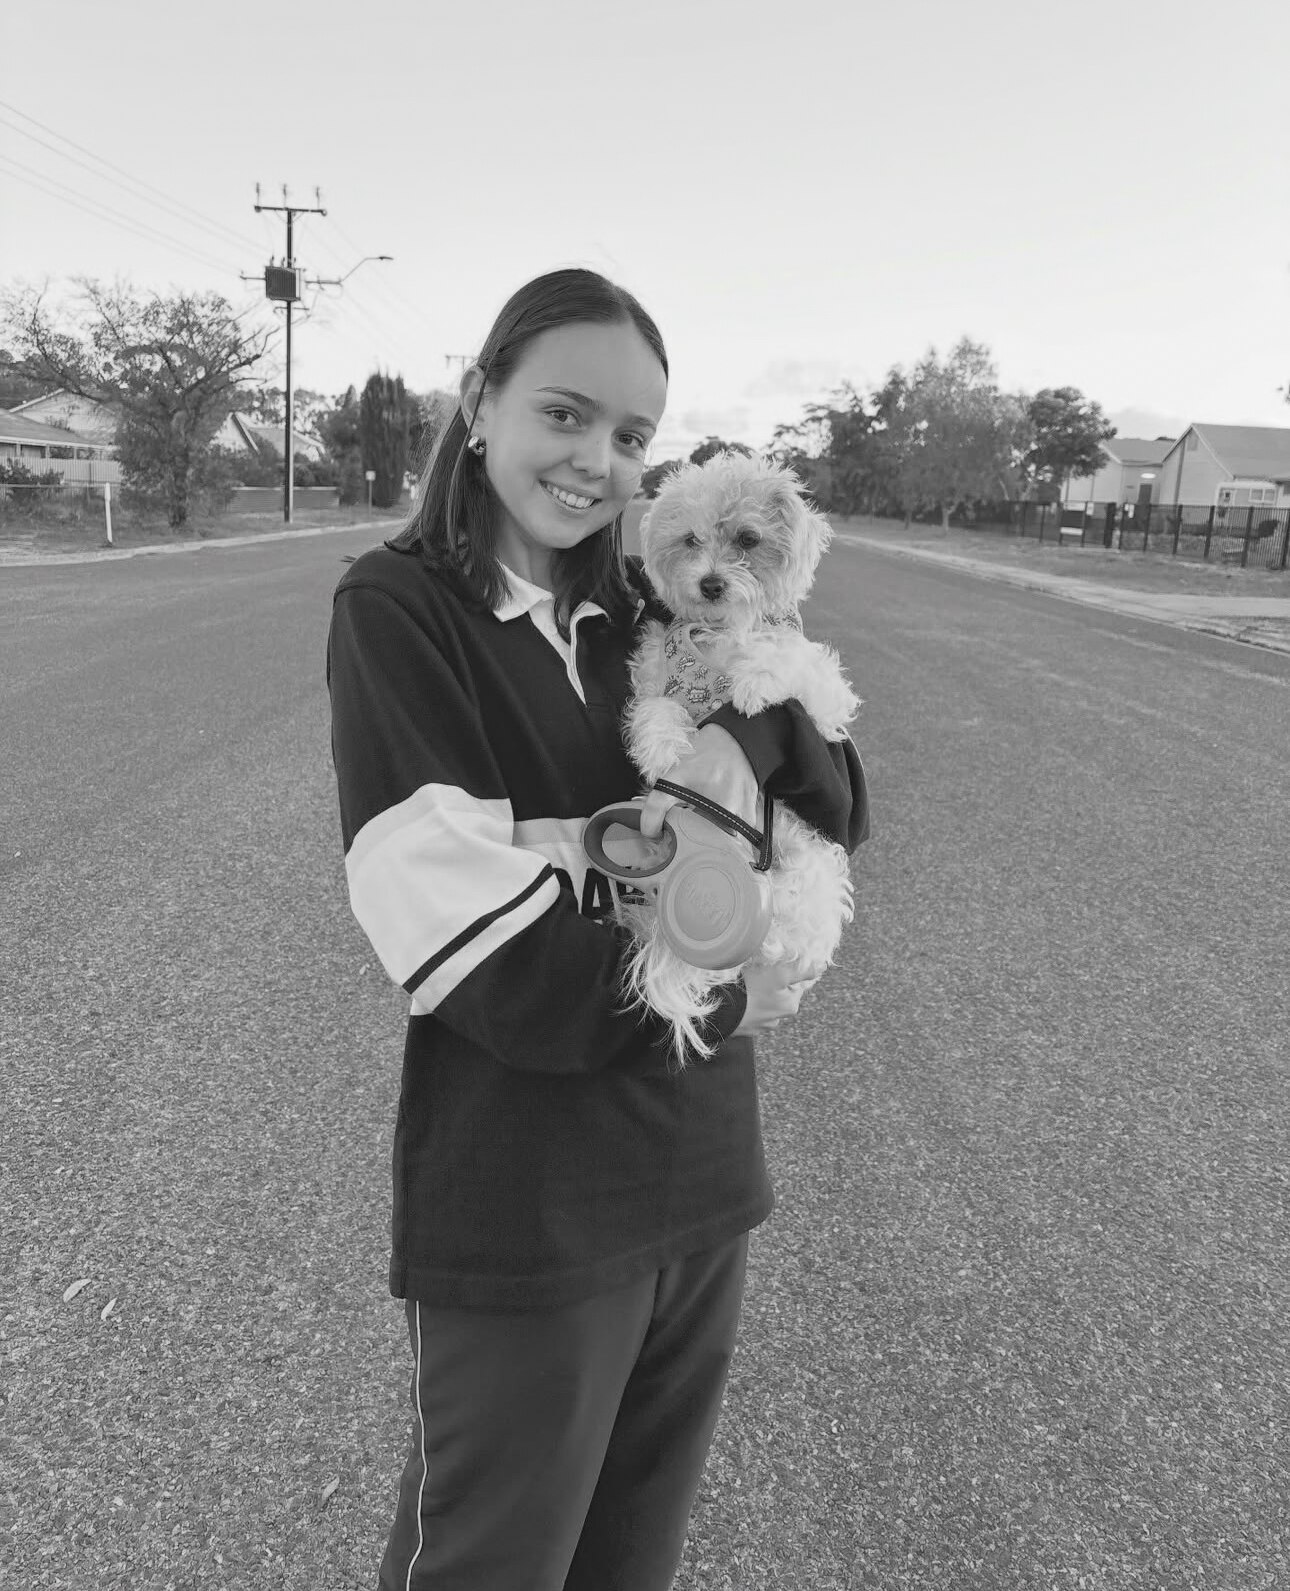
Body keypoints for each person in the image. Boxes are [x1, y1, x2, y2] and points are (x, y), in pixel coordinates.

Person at [325, 267, 869, 1591]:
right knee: (490, 1562)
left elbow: (840, 794)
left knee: (630, 1563)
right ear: (480, 402)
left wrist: (734, 753)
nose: (596, 462)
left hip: (701, 1175)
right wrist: (726, 983)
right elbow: (491, 960)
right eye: (563, 414)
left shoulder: (643, 606)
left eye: (631, 436)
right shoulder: (402, 614)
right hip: (530, 1207)